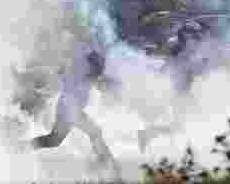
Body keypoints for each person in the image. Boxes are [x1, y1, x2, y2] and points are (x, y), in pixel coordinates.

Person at [20, 47, 123, 182]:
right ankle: (107, 166)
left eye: (98, 71)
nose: (96, 74)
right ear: (90, 67)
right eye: (96, 70)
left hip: (72, 111)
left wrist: (110, 84)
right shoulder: (77, 75)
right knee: (94, 132)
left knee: (55, 140)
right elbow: (62, 77)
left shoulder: (87, 75)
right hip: (68, 111)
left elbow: (98, 81)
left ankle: (23, 146)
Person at [138, 22, 206, 152]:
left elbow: (175, 60)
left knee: (193, 119)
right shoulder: (177, 43)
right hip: (179, 90)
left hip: (183, 88)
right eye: (194, 34)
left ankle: (151, 134)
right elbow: (166, 52)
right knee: (182, 124)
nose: (197, 37)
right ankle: (148, 133)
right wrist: (153, 50)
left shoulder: (184, 44)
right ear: (186, 33)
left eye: (196, 35)